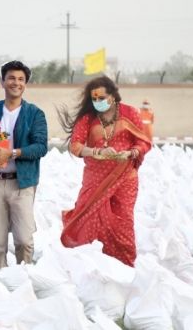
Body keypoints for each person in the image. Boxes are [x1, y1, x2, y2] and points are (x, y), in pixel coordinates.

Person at [57, 76, 151, 267]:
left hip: (125, 178)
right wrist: (96, 152)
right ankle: (90, 267)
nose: (98, 102)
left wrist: (132, 152)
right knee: (89, 219)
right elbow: (75, 146)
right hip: (96, 179)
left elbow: (143, 141)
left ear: (113, 96)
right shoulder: (88, 119)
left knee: (122, 222)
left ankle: (124, 267)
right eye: (95, 99)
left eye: (102, 98)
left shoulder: (130, 113)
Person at [0, 60, 48, 270]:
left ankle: (23, 282)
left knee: (24, 240)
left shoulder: (35, 114)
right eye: (11, 78)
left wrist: (12, 153)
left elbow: (40, 147)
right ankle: (0, 288)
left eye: (21, 79)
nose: (16, 83)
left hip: (22, 183)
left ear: (25, 84)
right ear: (2, 82)